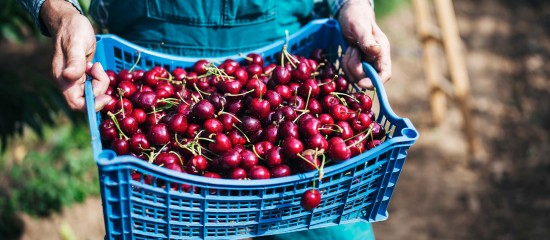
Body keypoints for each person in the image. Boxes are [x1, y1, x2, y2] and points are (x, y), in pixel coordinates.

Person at [18, 0, 392, 239]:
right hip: (152, 52)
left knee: (326, 223)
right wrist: (62, 12)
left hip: (287, 47)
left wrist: (353, 5)